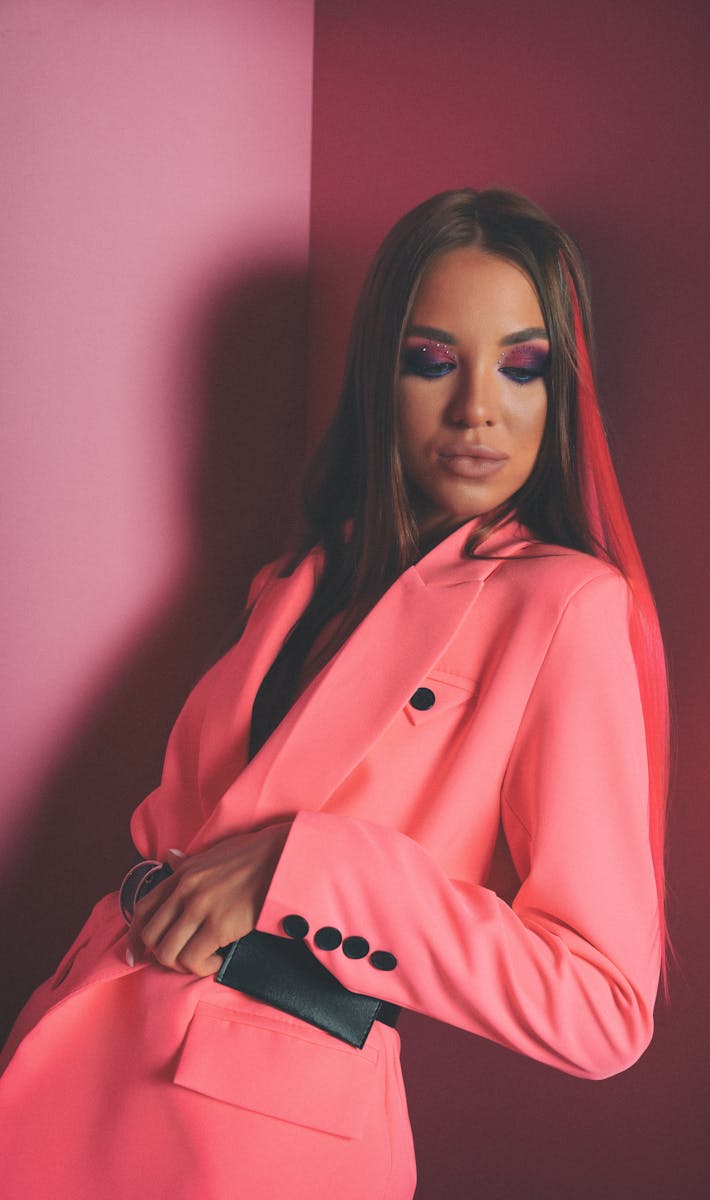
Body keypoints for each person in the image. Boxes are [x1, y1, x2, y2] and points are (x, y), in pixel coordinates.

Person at [0, 188, 669, 1199]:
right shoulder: (298, 579)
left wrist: (307, 868)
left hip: (262, 1145)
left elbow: (601, 1007)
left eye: (520, 366)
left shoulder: (564, 604)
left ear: (557, 388)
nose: (475, 408)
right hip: (81, 1072)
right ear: (378, 373)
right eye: (431, 360)